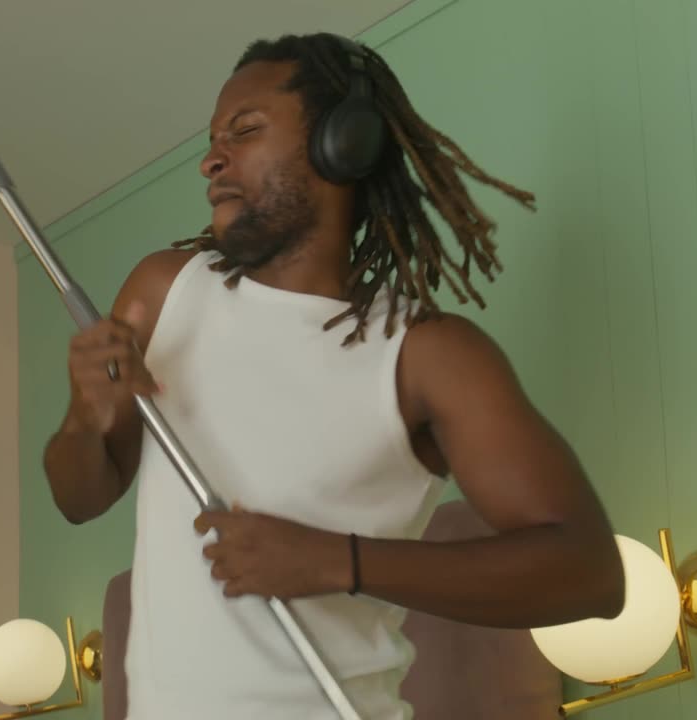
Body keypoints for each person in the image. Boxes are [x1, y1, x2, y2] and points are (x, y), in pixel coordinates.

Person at [42, 32, 624, 719]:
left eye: (245, 131)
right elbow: (78, 498)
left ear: (342, 144)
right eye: (212, 138)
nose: (210, 159)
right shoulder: (163, 292)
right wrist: (86, 417)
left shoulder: (425, 356)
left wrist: (336, 561)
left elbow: (588, 573)